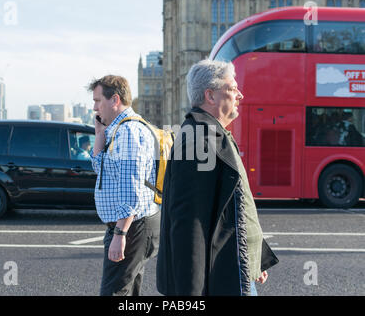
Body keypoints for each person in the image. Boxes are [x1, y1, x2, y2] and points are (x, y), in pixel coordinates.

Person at [156, 59, 278, 296]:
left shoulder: (214, 133)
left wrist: (257, 257)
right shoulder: (197, 142)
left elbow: (239, 203)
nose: (240, 95)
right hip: (224, 275)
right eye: (232, 88)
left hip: (240, 265)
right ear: (210, 96)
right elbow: (189, 225)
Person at [88, 75, 160, 296]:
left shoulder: (128, 133)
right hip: (133, 225)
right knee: (128, 292)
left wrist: (120, 234)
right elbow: (100, 169)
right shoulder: (117, 130)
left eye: (98, 100)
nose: (94, 107)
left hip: (132, 227)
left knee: (115, 293)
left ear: (114, 100)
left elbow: (131, 189)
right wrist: (99, 134)